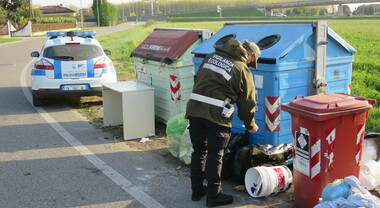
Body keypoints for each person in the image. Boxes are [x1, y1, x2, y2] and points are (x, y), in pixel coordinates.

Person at [185, 38, 261, 207]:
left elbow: (198, 80)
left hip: (195, 110)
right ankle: (214, 196)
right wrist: (250, 125)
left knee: (199, 152)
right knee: (215, 154)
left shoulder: (211, 56)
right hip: (217, 117)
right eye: (253, 60)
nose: (250, 64)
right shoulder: (241, 68)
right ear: (249, 54)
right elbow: (247, 102)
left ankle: (197, 190)